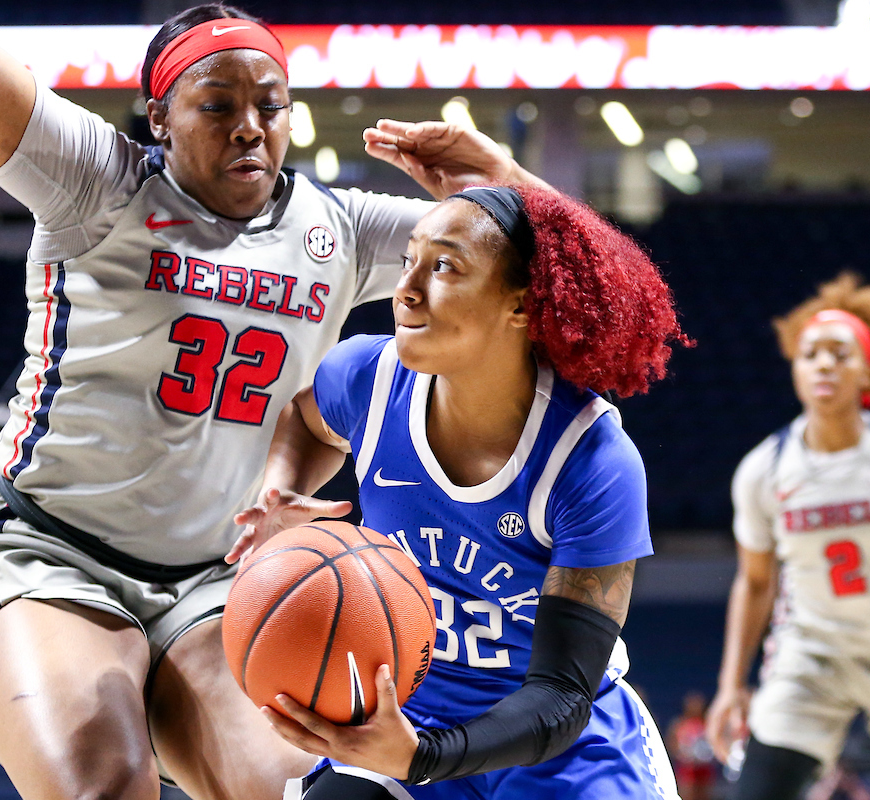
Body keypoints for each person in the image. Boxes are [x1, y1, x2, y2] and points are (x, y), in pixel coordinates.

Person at [0, 1, 544, 799]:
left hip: (220, 582)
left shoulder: (341, 227)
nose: (250, 127)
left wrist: (500, 180)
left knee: (307, 792)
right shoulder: (98, 182)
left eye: (270, 105)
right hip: (48, 555)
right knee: (102, 784)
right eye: (218, 106)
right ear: (159, 116)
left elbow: (576, 276)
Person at [231, 184, 689, 798]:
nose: (406, 289)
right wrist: (279, 494)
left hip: (556, 746)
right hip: (412, 716)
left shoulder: (591, 462)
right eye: (408, 261)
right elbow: (307, 419)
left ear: (522, 305)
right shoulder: (368, 376)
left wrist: (425, 757)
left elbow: (561, 695)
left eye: (444, 266)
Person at [705, 273, 870, 800]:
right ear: (795, 369)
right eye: (810, 353)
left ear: (869, 368)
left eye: (840, 353)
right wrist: (731, 686)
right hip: (810, 654)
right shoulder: (764, 470)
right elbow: (754, 584)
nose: (824, 363)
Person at [667, 691, 715, 800]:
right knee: (688, 794)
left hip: (704, 766)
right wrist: (682, 753)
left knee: (704, 794)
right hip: (687, 767)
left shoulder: (707, 723)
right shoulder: (680, 723)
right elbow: (672, 743)